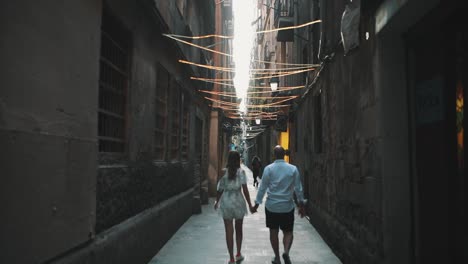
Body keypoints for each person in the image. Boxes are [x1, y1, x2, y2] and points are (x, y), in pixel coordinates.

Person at [252, 146, 306, 264]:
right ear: (284, 155)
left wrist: (256, 205)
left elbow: (262, 188)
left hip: (272, 206)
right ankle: (286, 251)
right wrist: (301, 204)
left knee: (273, 232)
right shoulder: (293, 169)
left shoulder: (268, 169)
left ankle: (277, 257)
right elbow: (298, 188)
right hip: (287, 206)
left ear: (274, 155)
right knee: (288, 232)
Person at [214, 151, 255, 264]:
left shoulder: (223, 172)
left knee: (228, 230)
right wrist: (250, 204)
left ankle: (231, 258)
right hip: (238, 202)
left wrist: (217, 201)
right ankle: (238, 253)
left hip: (226, 202)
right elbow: (245, 190)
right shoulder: (241, 172)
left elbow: (220, 189)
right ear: (238, 160)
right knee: (239, 229)